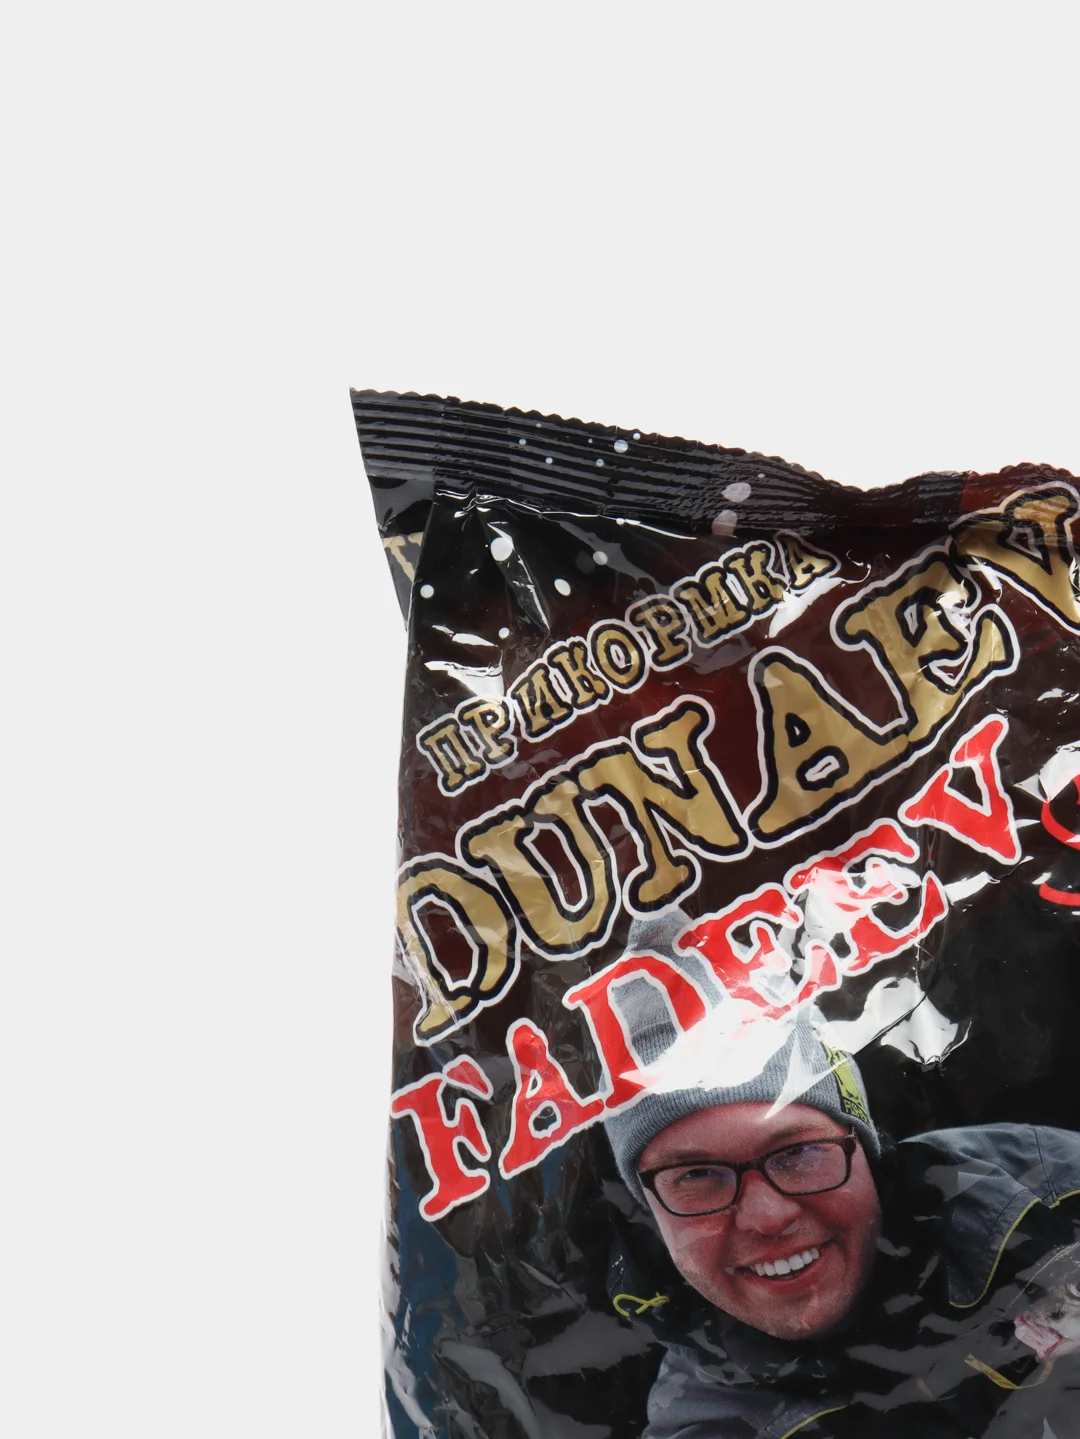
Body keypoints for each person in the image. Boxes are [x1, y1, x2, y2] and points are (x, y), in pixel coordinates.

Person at [602, 913, 1080, 1437]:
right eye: (696, 1176)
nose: (767, 1216)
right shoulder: (707, 1426)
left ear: (865, 1147)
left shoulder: (1049, 1188)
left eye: (798, 1153)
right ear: (650, 1210)